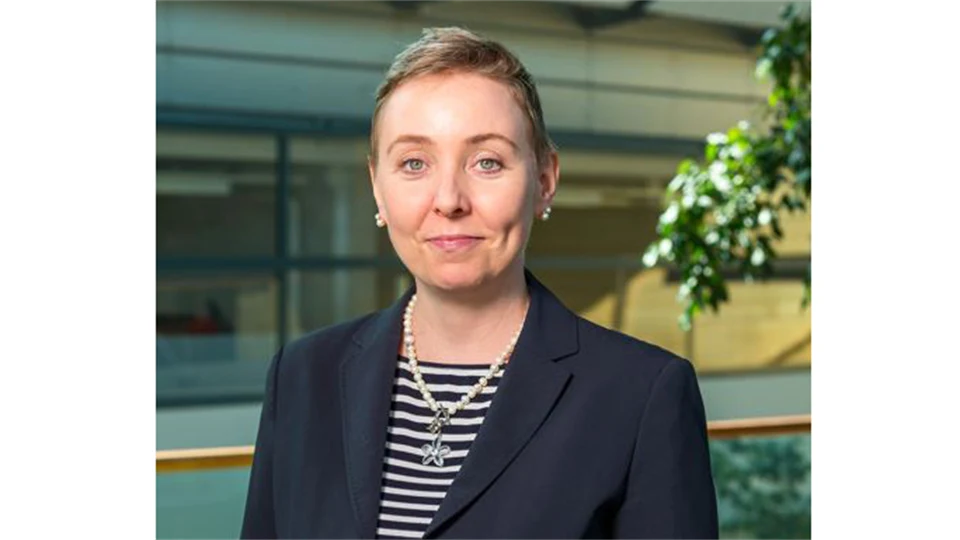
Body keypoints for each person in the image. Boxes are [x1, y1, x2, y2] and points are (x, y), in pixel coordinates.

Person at [240, 27, 717, 540]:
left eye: (487, 161)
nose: (448, 199)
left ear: (545, 180)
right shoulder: (300, 378)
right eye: (414, 163)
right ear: (377, 186)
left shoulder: (642, 395)